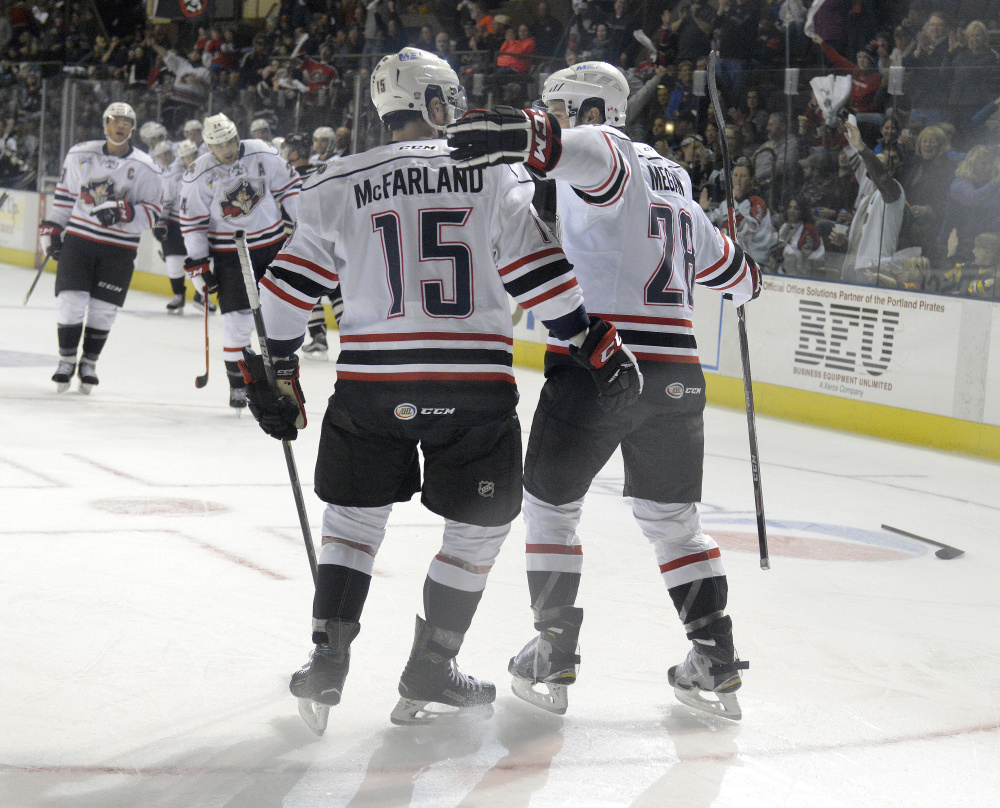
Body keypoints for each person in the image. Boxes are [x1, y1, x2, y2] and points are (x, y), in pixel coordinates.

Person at [238, 48, 639, 733]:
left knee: (353, 526)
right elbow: (539, 276)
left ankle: (328, 661)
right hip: (473, 388)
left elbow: (284, 298)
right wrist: (594, 344)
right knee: (478, 531)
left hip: (370, 386)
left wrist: (274, 369)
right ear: (435, 106)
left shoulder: (338, 178)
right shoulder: (491, 171)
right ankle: (432, 666)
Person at [447, 60, 760, 720]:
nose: (556, 117)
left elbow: (572, 150)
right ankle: (716, 654)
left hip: (603, 365)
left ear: (593, 110)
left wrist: (525, 134)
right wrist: (738, 253)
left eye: (561, 107)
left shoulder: (606, 150)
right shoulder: (676, 184)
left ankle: (554, 649)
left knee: (550, 506)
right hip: (678, 376)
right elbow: (740, 279)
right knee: (675, 525)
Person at [178, 113, 301, 408]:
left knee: (279, 318)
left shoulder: (261, 152)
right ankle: (239, 384)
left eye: (230, 141)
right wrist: (198, 263)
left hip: (271, 247)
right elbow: (192, 222)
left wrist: (303, 229)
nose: (227, 149)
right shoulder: (198, 174)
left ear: (237, 136)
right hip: (229, 255)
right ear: (209, 146)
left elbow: (291, 188)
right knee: (237, 321)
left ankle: (283, 380)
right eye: (219, 146)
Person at [39, 102, 162, 393]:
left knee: (104, 309)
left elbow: (153, 213)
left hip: (119, 249)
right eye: (114, 121)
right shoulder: (80, 154)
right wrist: (53, 229)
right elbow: (65, 198)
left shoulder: (146, 166)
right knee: (70, 301)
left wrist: (124, 213)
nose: (120, 126)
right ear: (105, 124)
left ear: (132, 129)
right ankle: (66, 361)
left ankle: (89, 364)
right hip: (79, 242)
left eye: (126, 122)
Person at [840, 118, 905, 283]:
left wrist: (861, 147)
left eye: (889, 162)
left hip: (877, 272)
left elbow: (881, 175)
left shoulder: (894, 193)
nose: (884, 165)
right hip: (855, 271)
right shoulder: (866, 199)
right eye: (880, 161)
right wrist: (844, 240)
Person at [155, 139, 211, 315]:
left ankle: (201, 295)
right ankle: (178, 296)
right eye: (186, 157)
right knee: (174, 262)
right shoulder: (172, 173)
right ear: (180, 158)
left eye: (192, 155)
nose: (190, 159)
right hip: (175, 223)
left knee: (202, 260)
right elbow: (166, 199)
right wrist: (160, 221)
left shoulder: (208, 168)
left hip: (199, 223)